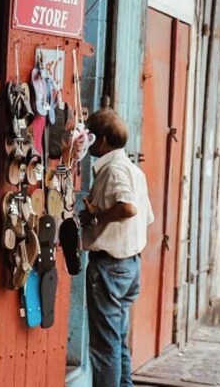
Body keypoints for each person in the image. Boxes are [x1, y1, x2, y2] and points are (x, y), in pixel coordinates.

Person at [80, 108, 154, 387]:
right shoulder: (135, 171)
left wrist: (97, 216)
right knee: (117, 342)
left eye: (90, 137)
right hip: (129, 265)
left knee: (105, 348)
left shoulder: (113, 170)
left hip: (111, 267)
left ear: (101, 140)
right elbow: (145, 216)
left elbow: (128, 208)